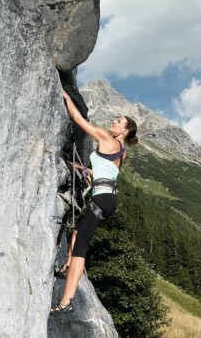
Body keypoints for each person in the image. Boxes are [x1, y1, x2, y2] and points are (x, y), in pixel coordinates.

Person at [50, 90, 138, 315]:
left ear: (124, 131)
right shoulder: (122, 153)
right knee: (79, 230)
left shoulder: (106, 139)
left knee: (80, 251)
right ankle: (67, 263)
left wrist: (66, 97)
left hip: (100, 199)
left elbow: (78, 120)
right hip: (108, 198)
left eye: (118, 121)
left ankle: (66, 301)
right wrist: (82, 169)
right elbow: (105, 172)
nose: (114, 122)